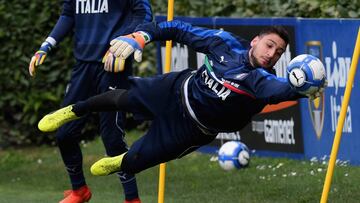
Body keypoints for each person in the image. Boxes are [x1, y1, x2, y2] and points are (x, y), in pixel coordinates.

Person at [38, 20, 325, 177]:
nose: (272, 53)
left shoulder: (263, 82)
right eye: (269, 45)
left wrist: (306, 88)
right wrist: (141, 37)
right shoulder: (223, 42)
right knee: (120, 98)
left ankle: (122, 161)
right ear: (255, 41)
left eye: (278, 52)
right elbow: (178, 29)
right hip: (177, 89)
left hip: (193, 129)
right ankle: (74, 110)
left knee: (139, 160)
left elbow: (283, 90)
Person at [28, 1, 152, 203]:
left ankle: (132, 199)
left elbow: (144, 12)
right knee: (64, 133)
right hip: (83, 67)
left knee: (112, 138)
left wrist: (127, 41)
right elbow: (68, 14)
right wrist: (46, 45)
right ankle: (79, 190)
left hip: (114, 65)